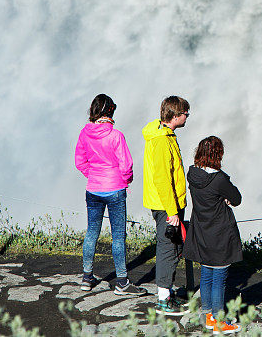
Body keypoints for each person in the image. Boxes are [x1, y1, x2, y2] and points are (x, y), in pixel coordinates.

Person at [74, 94, 144, 296]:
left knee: (92, 232)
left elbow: (80, 161)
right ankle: (122, 282)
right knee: (118, 237)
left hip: (93, 189)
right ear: (110, 111)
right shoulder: (116, 135)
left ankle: (86, 278)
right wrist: (124, 180)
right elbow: (127, 165)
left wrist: (94, 175)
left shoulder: (84, 133)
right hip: (114, 189)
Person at [183, 136, 242, 334]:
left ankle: (207, 316)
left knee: (207, 273)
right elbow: (237, 198)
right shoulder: (219, 179)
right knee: (219, 278)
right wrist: (225, 196)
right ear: (218, 155)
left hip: (201, 232)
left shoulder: (192, 174)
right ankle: (219, 321)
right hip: (220, 234)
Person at [142, 95, 190, 315]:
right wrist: (173, 212)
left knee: (172, 248)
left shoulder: (165, 134)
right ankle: (163, 300)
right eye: (185, 113)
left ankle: (167, 294)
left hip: (168, 204)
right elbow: (162, 179)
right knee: (167, 250)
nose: (187, 116)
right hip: (166, 206)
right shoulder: (162, 140)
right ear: (174, 115)